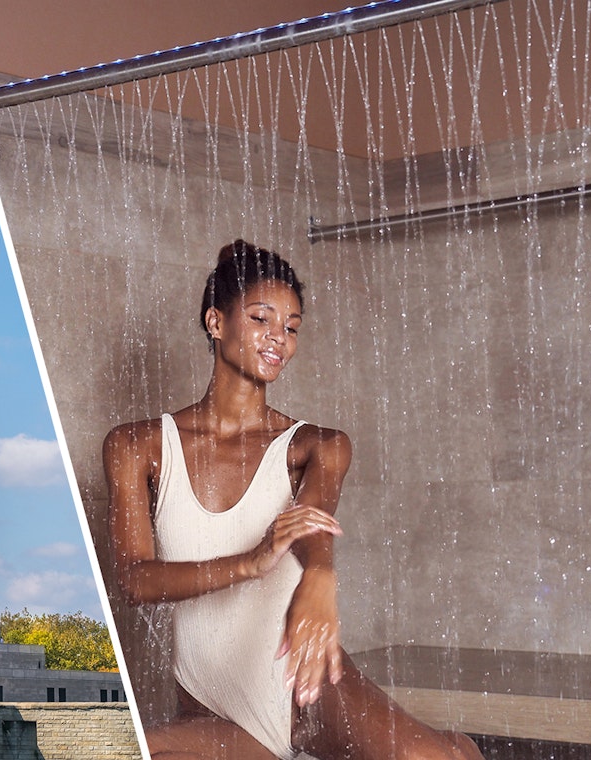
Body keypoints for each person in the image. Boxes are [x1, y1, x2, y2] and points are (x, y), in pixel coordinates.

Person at [103, 241, 483, 759]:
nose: (278, 339)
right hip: (215, 702)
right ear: (216, 322)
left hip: (306, 678)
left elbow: (311, 521)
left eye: (292, 327)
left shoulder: (318, 445)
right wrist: (252, 562)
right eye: (262, 319)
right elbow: (135, 581)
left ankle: (456, 749)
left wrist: (321, 575)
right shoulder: (136, 445)